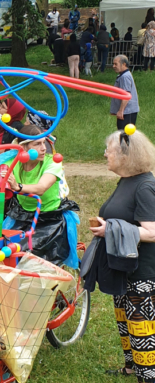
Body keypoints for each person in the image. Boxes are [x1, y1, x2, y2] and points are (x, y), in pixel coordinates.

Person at [87, 130, 155, 382]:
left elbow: (152, 232)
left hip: (143, 273)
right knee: (125, 321)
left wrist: (111, 229)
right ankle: (131, 367)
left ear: (126, 156)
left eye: (109, 150)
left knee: (142, 328)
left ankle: (148, 376)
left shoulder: (146, 186)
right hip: (123, 266)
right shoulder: (128, 181)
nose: (105, 153)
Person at [0, 124, 79, 265]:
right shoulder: (12, 163)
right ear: (23, 148)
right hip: (23, 217)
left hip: (50, 219)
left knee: (32, 257)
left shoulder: (52, 162)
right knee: (5, 249)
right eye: (37, 144)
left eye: (44, 142)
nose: (43, 148)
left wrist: (18, 187)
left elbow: (41, 188)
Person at [111, 55, 139, 130]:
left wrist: (121, 111)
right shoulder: (123, 75)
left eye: (116, 64)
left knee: (124, 134)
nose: (113, 66)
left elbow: (126, 95)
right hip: (127, 111)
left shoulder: (125, 77)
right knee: (123, 134)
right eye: (113, 64)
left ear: (124, 64)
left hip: (127, 111)